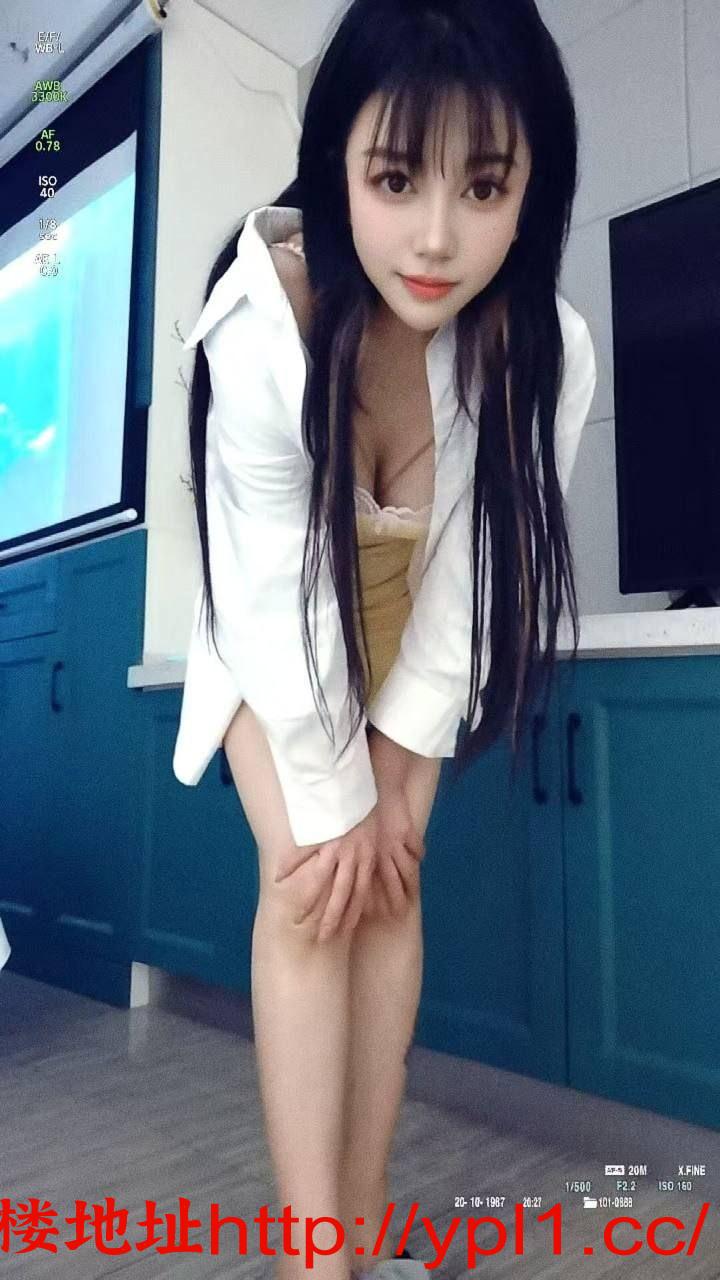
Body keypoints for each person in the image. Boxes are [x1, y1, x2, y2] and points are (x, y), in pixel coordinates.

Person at [173, 1, 597, 1277]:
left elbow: (474, 578)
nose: (436, 238)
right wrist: (340, 793)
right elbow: (266, 596)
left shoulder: (543, 349)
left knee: (392, 881)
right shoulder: (262, 325)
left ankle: (362, 1232)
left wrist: (400, 770)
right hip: (269, 635)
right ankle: (317, 1260)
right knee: (312, 886)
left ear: (532, 189)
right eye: (397, 178)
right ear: (336, 163)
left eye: (485, 186)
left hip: (412, 641)